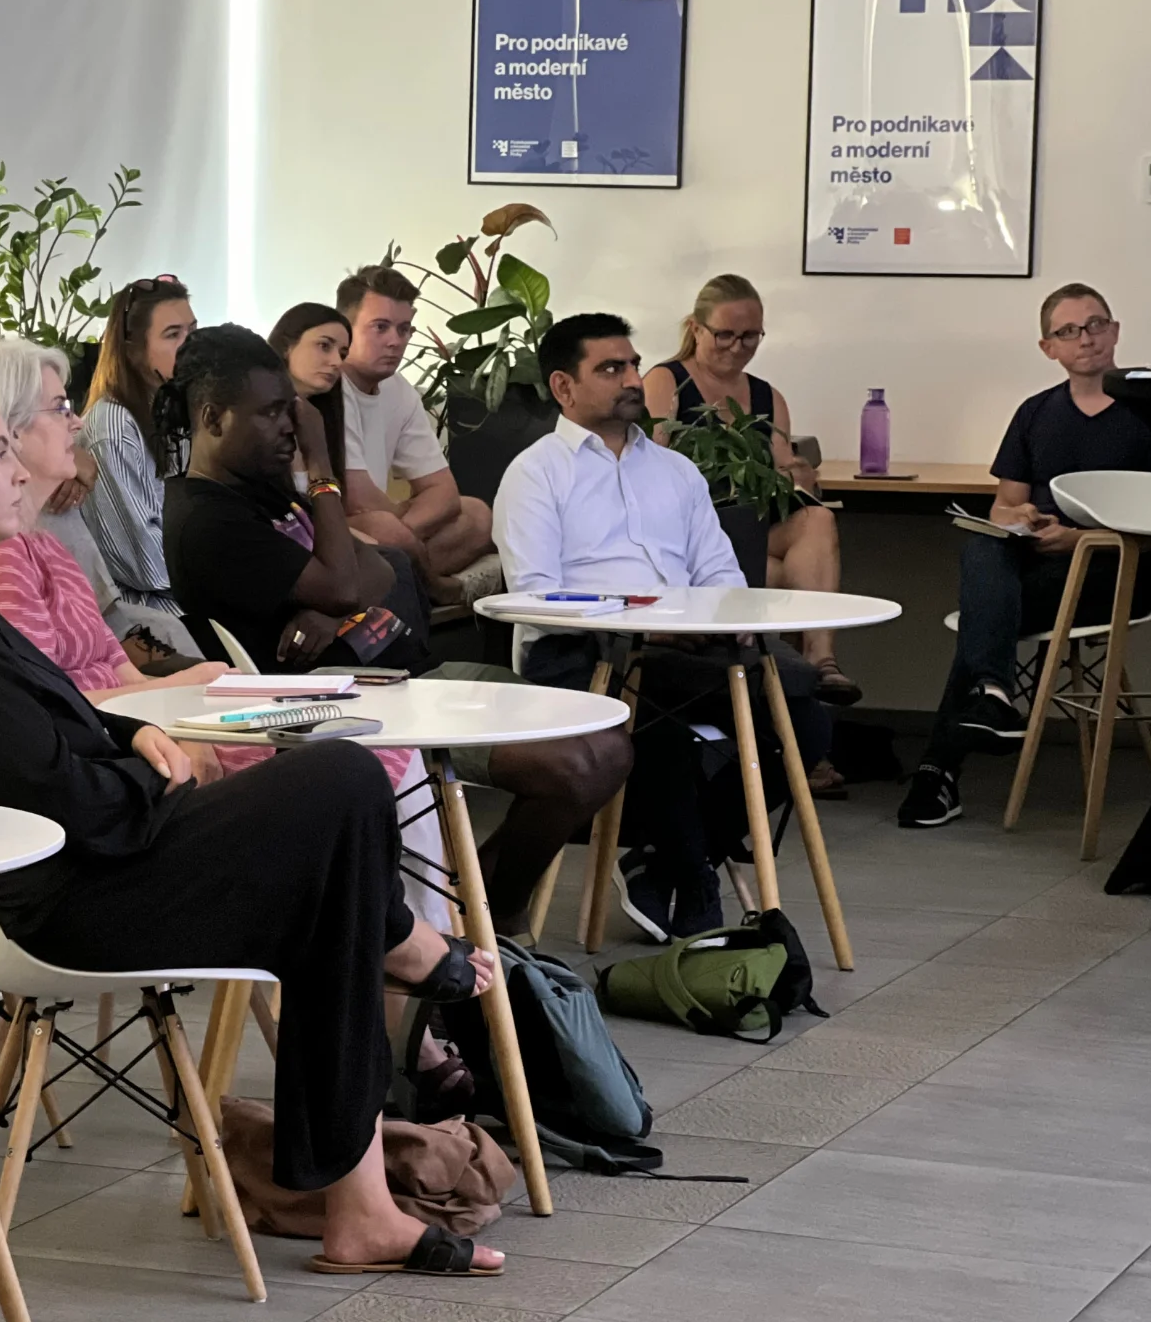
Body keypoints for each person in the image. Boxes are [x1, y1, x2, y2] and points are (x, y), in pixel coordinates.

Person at [0, 377, 505, 1277]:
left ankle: (364, 1195)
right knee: (338, 784)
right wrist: (156, 772)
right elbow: (61, 800)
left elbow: (51, 720)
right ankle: (395, 969)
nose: (19, 470)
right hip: (67, 898)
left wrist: (130, 732)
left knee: (331, 853)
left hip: (94, 855)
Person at [161, 325, 630, 937]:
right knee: (573, 765)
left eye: (291, 412)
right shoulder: (207, 519)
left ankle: (483, 905)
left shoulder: (265, 494)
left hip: (402, 675)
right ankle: (487, 918)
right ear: (212, 418)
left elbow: (384, 566)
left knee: (609, 743)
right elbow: (349, 582)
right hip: (346, 702)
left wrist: (330, 608)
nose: (291, 427)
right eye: (272, 412)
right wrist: (322, 470)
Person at [496, 313, 828, 939]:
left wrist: (723, 623)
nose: (632, 379)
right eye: (610, 368)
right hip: (577, 652)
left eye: (632, 364)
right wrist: (640, 623)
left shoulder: (675, 471)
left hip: (684, 646)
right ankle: (692, 875)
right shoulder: (535, 474)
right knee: (658, 716)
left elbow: (720, 574)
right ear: (564, 387)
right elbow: (536, 596)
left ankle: (676, 853)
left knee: (804, 714)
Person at [901, 283, 1151, 829]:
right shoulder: (1036, 412)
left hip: (1117, 571)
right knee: (983, 545)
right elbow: (1004, 505)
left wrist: (1080, 538)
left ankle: (940, 767)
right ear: (1049, 348)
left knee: (987, 616)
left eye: (1095, 325)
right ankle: (992, 696)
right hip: (1039, 566)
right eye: (1069, 331)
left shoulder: (1150, 409)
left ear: (1114, 331)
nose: (1085, 338)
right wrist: (1020, 518)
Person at [0, 336, 227, 701]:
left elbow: (126, 677)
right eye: (60, 408)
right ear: (9, 429)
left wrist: (197, 685)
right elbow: (44, 704)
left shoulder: (47, 545)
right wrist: (191, 685)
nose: (77, 423)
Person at [644, 274, 860, 710]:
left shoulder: (766, 396)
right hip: (692, 537)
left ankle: (821, 661)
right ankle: (798, 697)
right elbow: (648, 466)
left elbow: (783, 466)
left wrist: (798, 476)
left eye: (750, 336)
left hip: (753, 528)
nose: (737, 347)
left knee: (817, 519)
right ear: (696, 329)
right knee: (784, 578)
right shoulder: (666, 382)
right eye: (725, 334)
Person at [335, 265, 496, 604]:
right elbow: (356, 498)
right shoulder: (330, 388)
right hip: (332, 537)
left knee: (477, 515)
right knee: (380, 528)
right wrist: (394, 528)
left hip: (381, 535)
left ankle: (402, 573)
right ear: (344, 331)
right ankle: (430, 585)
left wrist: (402, 532)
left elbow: (443, 491)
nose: (395, 341)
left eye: (404, 329)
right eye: (380, 327)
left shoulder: (400, 391)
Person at [79, 276, 197, 612]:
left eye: (193, 331)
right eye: (172, 335)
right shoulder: (113, 425)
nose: (190, 346)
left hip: (194, 596)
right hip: (154, 616)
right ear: (132, 349)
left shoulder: (173, 409)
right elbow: (147, 565)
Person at [269, 301, 352, 481]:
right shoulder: (254, 421)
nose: (337, 362)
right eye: (324, 346)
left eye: (342, 354)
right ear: (286, 346)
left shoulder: (318, 421)